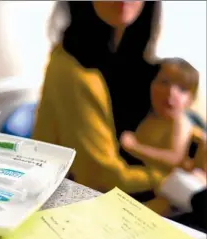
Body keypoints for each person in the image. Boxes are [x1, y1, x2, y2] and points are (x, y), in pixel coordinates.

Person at [33, 1, 167, 209]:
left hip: (136, 193)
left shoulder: (142, 60)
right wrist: (166, 178)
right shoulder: (71, 69)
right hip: (92, 204)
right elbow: (102, 177)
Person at [119, 58, 206, 215]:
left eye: (182, 89)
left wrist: (135, 148)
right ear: (150, 84)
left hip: (166, 183)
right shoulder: (150, 115)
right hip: (142, 174)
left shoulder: (180, 122)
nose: (171, 92)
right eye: (164, 82)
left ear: (191, 99)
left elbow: (174, 158)